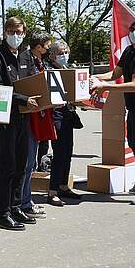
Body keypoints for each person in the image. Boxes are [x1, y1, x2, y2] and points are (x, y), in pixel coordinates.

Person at [90, 17, 135, 206]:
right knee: (134, 143)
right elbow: (115, 74)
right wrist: (93, 78)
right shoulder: (130, 51)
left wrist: (105, 87)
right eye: (133, 29)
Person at [0, 16, 41, 231]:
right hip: (6, 117)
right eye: (11, 31)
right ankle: (2, 213)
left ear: (24, 32)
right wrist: (23, 99)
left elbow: (33, 82)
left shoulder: (26, 55)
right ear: (5, 32)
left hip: (25, 117)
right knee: (7, 167)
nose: (15, 35)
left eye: (19, 31)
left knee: (22, 165)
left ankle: (16, 206)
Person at [18, 31, 52, 221]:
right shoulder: (25, 59)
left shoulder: (39, 61)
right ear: (39, 46)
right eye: (47, 46)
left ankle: (25, 200)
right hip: (27, 117)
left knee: (31, 161)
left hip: (38, 115)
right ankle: (23, 202)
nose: (48, 50)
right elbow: (25, 85)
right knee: (27, 162)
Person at [44, 41, 81, 206]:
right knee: (59, 154)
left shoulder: (67, 69)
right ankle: (52, 192)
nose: (64, 55)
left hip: (68, 114)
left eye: (66, 51)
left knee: (68, 152)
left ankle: (63, 186)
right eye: (60, 52)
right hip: (56, 115)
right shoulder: (48, 70)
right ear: (52, 55)